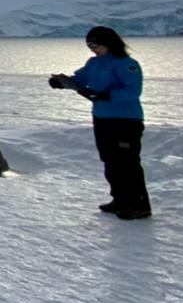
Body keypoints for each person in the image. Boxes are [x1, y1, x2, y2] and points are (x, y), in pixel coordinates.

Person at [49, 26, 151, 220]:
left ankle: (139, 204)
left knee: (127, 162)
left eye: (95, 45)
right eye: (89, 45)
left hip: (126, 120)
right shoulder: (94, 63)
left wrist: (107, 95)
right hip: (102, 118)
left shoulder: (126, 64)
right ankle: (119, 199)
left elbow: (133, 91)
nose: (92, 49)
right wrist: (62, 82)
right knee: (110, 160)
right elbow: (80, 79)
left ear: (109, 43)